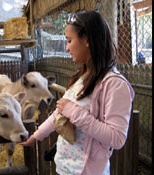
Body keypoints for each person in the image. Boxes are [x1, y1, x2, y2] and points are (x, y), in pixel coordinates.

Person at [20, 11, 134, 175]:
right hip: (64, 167)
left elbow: (117, 138)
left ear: (87, 39)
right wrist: (36, 137)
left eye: (69, 40)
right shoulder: (82, 77)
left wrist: (73, 112)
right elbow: (60, 113)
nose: (67, 47)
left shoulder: (115, 85)